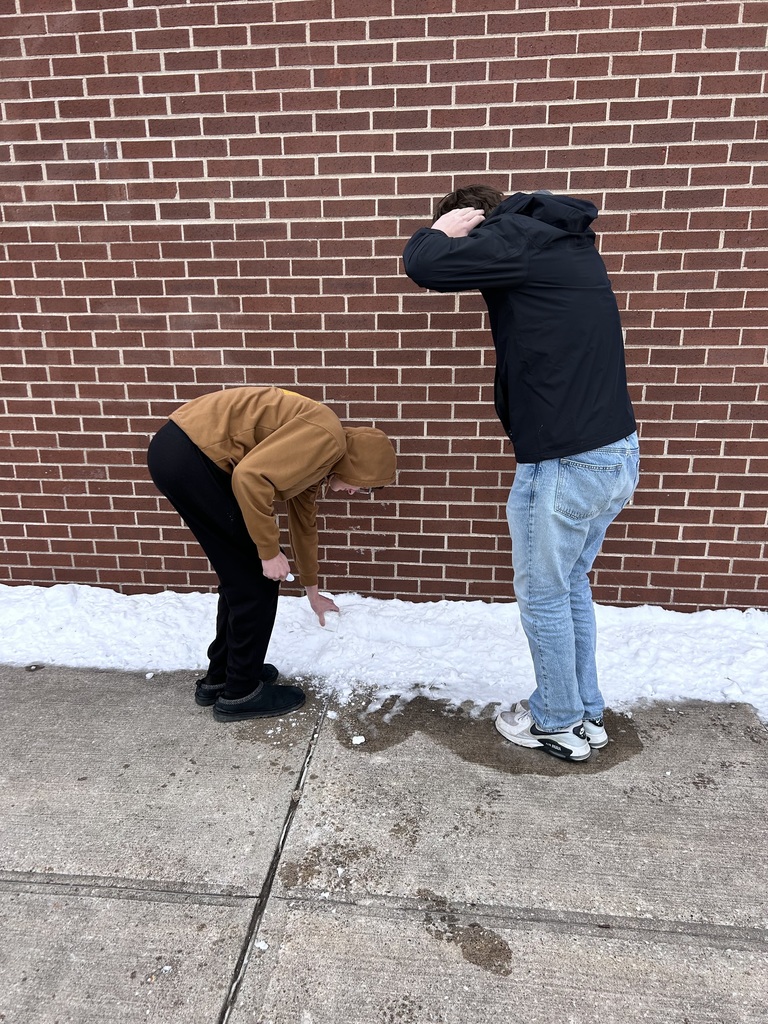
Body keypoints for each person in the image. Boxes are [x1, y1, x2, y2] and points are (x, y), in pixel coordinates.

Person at [403, 185, 639, 762]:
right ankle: (584, 712)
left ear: (478, 220)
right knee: (569, 586)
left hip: (564, 461)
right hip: (613, 452)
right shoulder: (562, 243)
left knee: (544, 598)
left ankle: (556, 722)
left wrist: (445, 231)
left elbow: (424, 265)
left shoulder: (518, 238)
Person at [147, 386, 397, 722]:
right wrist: (268, 553)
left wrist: (312, 592)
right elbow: (250, 478)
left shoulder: (317, 463)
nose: (356, 491)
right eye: (364, 484)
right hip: (192, 457)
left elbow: (304, 527)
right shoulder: (328, 437)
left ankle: (222, 678)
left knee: (241, 580)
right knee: (255, 582)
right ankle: (240, 693)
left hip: (184, 456)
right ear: (357, 463)